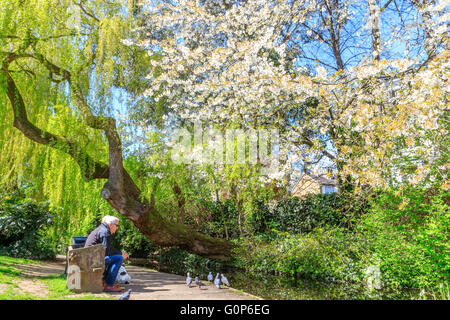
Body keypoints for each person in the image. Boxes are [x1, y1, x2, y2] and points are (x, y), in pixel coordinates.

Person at [84, 215, 129, 292]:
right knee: (118, 258)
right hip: (93, 260)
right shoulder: (105, 232)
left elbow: (107, 249)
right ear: (111, 224)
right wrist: (121, 254)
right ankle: (108, 285)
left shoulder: (102, 229)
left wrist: (119, 253)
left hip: (90, 258)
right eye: (116, 225)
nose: (117, 228)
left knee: (114, 258)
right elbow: (107, 251)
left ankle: (105, 282)